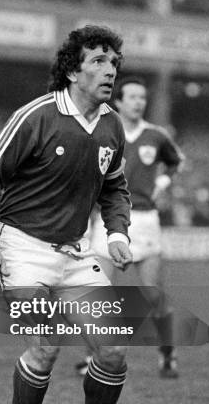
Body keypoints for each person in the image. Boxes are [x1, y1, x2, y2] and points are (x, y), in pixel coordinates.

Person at [0, 25, 134, 404]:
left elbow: (115, 186)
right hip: (22, 249)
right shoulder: (37, 116)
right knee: (46, 344)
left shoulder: (112, 125)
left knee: (114, 349)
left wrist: (117, 233)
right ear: (71, 71)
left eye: (113, 62)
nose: (109, 71)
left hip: (78, 253)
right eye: (98, 61)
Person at [79, 76, 184, 378]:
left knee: (154, 296)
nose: (139, 102)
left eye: (142, 97)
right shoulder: (102, 131)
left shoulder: (157, 136)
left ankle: (167, 355)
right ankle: (92, 358)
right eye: (133, 97)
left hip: (145, 220)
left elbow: (176, 162)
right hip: (109, 219)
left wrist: (162, 182)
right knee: (96, 293)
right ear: (119, 102)